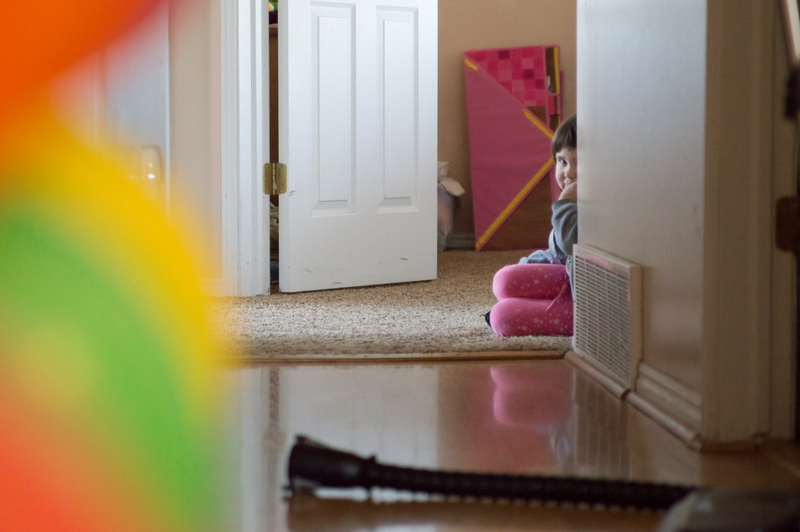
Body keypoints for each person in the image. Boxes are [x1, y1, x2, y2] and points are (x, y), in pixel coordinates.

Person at [485, 115, 577, 337]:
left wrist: (565, 203)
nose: (568, 173)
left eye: (579, 163)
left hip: (584, 304)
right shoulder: (574, 199)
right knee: (504, 280)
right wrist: (529, 265)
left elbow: (570, 244)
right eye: (562, 162)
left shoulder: (583, 205)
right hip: (566, 276)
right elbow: (556, 254)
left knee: (501, 318)